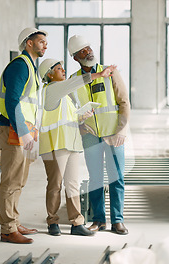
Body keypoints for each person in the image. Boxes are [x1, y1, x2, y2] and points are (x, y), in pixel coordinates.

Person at [38, 58, 117, 236]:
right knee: (55, 185)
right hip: (54, 144)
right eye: (58, 69)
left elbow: (67, 118)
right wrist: (99, 74)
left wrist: (82, 116)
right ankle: (52, 222)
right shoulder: (52, 89)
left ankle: (76, 223)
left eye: (62, 68)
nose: (63, 71)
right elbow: (76, 82)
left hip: (71, 143)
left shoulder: (64, 96)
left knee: (72, 184)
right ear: (49, 75)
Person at [67, 35, 131, 235]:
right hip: (90, 135)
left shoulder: (110, 73)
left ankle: (117, 220)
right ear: (75, 57)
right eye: (83, 51)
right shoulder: (73, 81)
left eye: (88, 48)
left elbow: (124, 102)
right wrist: (80, 125)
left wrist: (122, 130)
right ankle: (99, 220)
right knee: (95, 178)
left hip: (113, 134)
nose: (88, 52)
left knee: (116, 177)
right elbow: (70, 111)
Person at [0, 27, 48, 244]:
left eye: (45, 42)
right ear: (29, 43)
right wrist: (24, 132)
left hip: (23, 130)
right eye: (41, 41)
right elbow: (12, 101)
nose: (45, 44)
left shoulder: (31, 68)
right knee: (10, 181)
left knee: (19, 181)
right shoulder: (20, 66)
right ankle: (7, 230)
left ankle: (13, 222)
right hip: (14, 130)